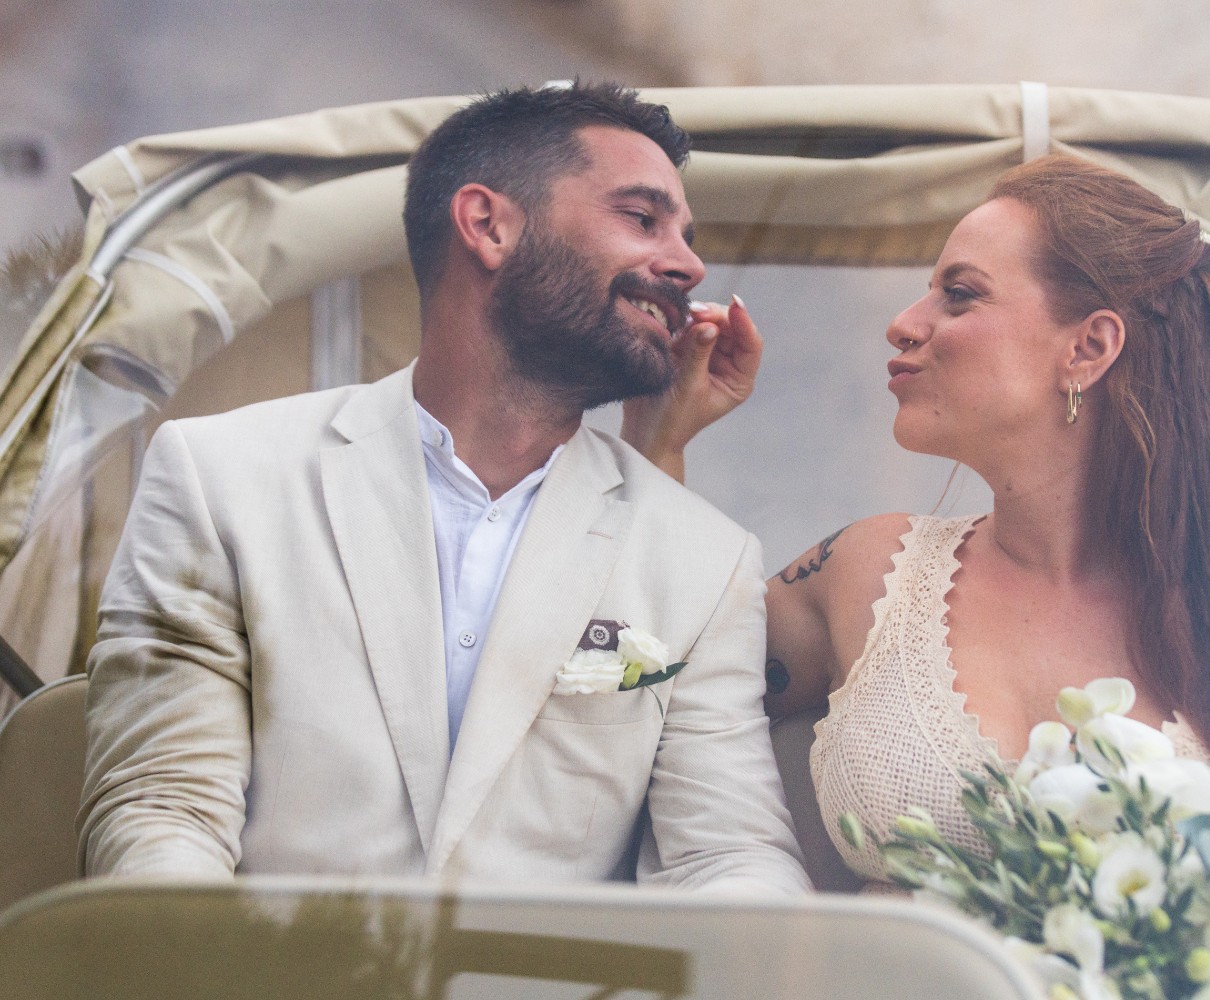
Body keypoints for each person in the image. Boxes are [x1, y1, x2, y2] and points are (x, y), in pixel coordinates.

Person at [629, 155, 1210, 996]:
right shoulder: (866, 573)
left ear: (1088, 348)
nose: (905, 321)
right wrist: (659, 442)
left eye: (959, 293)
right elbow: (661, 684)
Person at [78, 82, 809, 895]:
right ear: (488, 225)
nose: (689, 263)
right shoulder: (221, 478)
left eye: (686, 233)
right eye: (642, 219)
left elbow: (726, 856)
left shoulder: (708, 560)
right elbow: (164, 812)